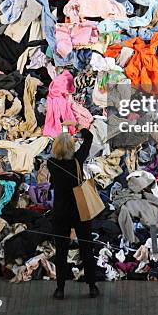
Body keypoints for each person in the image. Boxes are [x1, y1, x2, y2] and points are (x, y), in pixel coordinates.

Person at [47, 124, 99, 300]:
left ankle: (60, 289)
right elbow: (89, 137)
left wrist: (64, 134)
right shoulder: (77, 160)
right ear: (72, 147)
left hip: (61, 212)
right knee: (86, 249)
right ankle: (92, 287)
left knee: (61, 252)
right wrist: (78, 129)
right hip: (80, 209)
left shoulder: (51, 163)